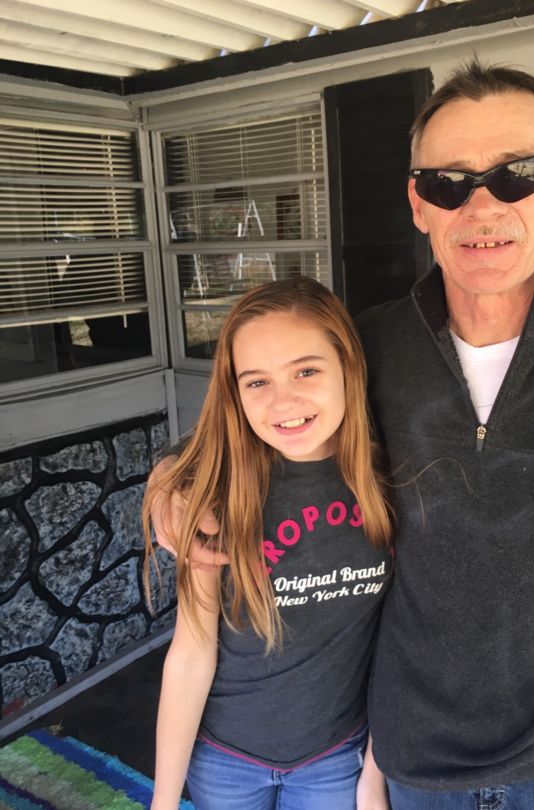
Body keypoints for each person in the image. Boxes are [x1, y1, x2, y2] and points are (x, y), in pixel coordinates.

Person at [151, 60, 534, 809]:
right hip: (414, 763)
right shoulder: (369, 347)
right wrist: (172, 479)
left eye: (517, 174)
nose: (482, 206)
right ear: (418, 203)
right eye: (449, 182)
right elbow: (260, 413)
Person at [143, 276, 393, 810]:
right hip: (226, 761)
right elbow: (191, 652)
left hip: (336, 758)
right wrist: (163, 801)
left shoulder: (390, 479)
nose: (284, 401)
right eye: (257, 381)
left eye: (306, 370)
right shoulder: (215, 495)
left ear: (347, 366)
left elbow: (402, 640)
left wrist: (374, 769)